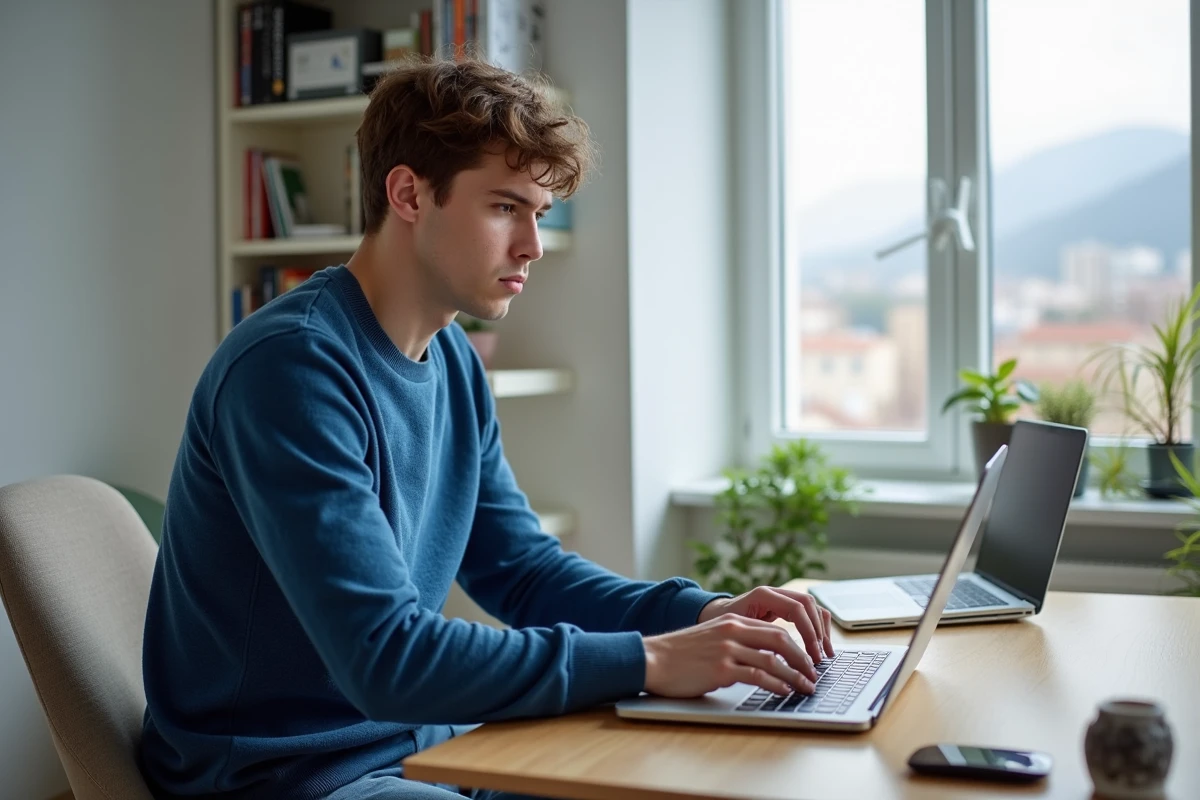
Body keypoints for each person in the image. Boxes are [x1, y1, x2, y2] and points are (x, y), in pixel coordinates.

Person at [139, 58, 834, 800]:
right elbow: (388, 659)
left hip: (422, 746)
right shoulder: (292, 371)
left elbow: (523, 572)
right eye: (506, 207)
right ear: (408, 193)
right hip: (280, 775)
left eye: (539, 212)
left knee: (684, 775)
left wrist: (704, 615)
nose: (532, 244)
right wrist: (652, 660)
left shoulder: (451, 363)